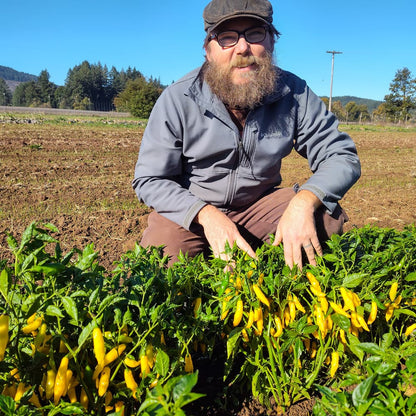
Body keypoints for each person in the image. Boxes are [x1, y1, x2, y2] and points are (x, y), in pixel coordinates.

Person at [133, 0, 361, 268]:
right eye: (227, 38)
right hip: (192, 211)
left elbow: (340, 155)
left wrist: (303, 202)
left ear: (272, 42)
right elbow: (150, 179)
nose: (242, 48)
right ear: (208, 50)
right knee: (161, 263)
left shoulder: (293, 92)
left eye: (254, 33)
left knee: (323, 217)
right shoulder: (178, 98)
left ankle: (280, 290)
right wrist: (205, 214)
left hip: (258, 207)